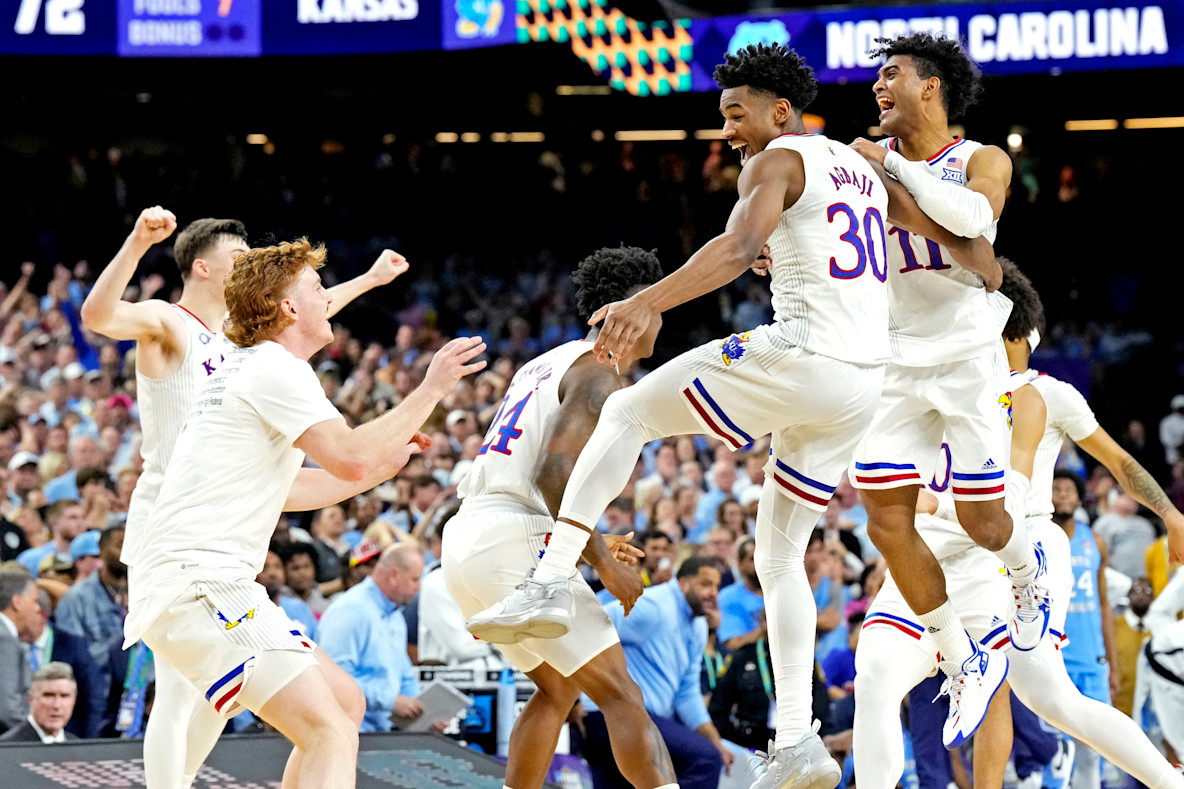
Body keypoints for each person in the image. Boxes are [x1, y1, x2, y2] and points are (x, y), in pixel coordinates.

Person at [470, 43, 998, 789]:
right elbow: (927, 252)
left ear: (779, 111)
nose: (727, 129)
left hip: (803, 354)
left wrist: (646, 300)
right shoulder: (862, 169)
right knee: (778, 556)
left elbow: (736, 245)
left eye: (735, 111)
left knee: (624, 411)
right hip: (862, 384)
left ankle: (552, 577)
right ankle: (796, 741)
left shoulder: (777, 159)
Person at [119, 237, 486, 787]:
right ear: (289, 308)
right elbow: (351, 457)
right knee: (326, 731)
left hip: (208, 581)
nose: (326, 297)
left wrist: (383, 468)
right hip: (198, 585)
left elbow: (293, 488)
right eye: (317, 288)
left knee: (345, 704)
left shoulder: (251, 366)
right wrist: (430, 388)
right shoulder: (273, 368)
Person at [80, 206, 410, 787]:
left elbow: (306, 307)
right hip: (175, 515)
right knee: (182, 683)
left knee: (222, 694)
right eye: (239, 258)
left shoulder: (244, 345)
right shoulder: (170, 321)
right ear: (203, 268)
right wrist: (135, 244)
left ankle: (180, 778)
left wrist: (369, 282)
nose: (249, 267)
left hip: (232, 501)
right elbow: (99, 314)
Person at [852, 260, 1184, 789]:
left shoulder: (1040, 393)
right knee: (890, 679)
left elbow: (1116, 463)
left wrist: (1168, 511)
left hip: (1018, 542)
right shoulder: (928, 381)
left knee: (1045, 697)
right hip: (945, 545)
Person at [845, 32, 1044, 751]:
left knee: (985, 523)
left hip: (965, 355)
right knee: (884, 519)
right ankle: (957, 653)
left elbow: (974, 224)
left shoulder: (980, 158)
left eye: (891, 73)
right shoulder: (866, 164)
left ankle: (1028, 569)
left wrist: (892, 173)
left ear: (931, 87)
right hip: (896, 358)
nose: (878, 86)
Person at [442, 245, 684, 789]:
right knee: (622, 694)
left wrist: (583, 539)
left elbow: (533, 473)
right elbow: (552, 476)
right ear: (629, 309)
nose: (663, 315)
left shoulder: (547, 360)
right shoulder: (600, 372)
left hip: (468, 537)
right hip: (513, 539)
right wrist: (601, 561)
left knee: (556, 688)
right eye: (657, 303)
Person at [573, 557, 732, 789]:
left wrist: (715, 740)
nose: (713, 593)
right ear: (683, 583)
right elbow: (584, 628)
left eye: (717, 587)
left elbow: (686, 694)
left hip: (635, 721)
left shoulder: (698, 626)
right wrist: (571, 699)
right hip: (605, 716)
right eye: (705, 584)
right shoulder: (653, 606)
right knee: (704, 759)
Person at [316, 543, 438, 732]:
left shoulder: (396, 614)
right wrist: (389, 701)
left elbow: (404, 675)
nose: (418, 587)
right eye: (414, 579)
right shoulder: (351, 611)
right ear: (394, 575)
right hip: (350, 732)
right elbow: (333, 679)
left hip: (386, 733)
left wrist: (425, 712)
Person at [0, 562, 38, 734]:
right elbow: (8, 708)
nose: (37, 608)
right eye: (34, 600)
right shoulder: (4, 639)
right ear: (17, 602)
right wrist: (35, 736)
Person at [0, 662, 80, 743]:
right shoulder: (6, 747)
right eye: (48, 695)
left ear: (73, 701)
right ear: (31, 699)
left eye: (64, 696)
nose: (56, 705)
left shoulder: (79, 748)